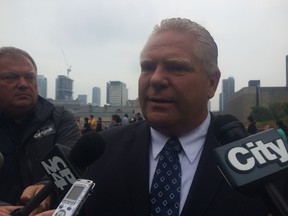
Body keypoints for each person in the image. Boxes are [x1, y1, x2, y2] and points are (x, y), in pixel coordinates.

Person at [36, 18, 270, 216]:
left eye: (176, 67)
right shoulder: (101, 151)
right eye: (147, 67)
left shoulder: (260, 161)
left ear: (212, 83)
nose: (156, 79)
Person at [0, 46, 81, 215]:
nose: (23, 84)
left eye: (30, 77)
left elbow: (72, 161)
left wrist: (45, 188)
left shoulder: (60, 119)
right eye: (10, 78)